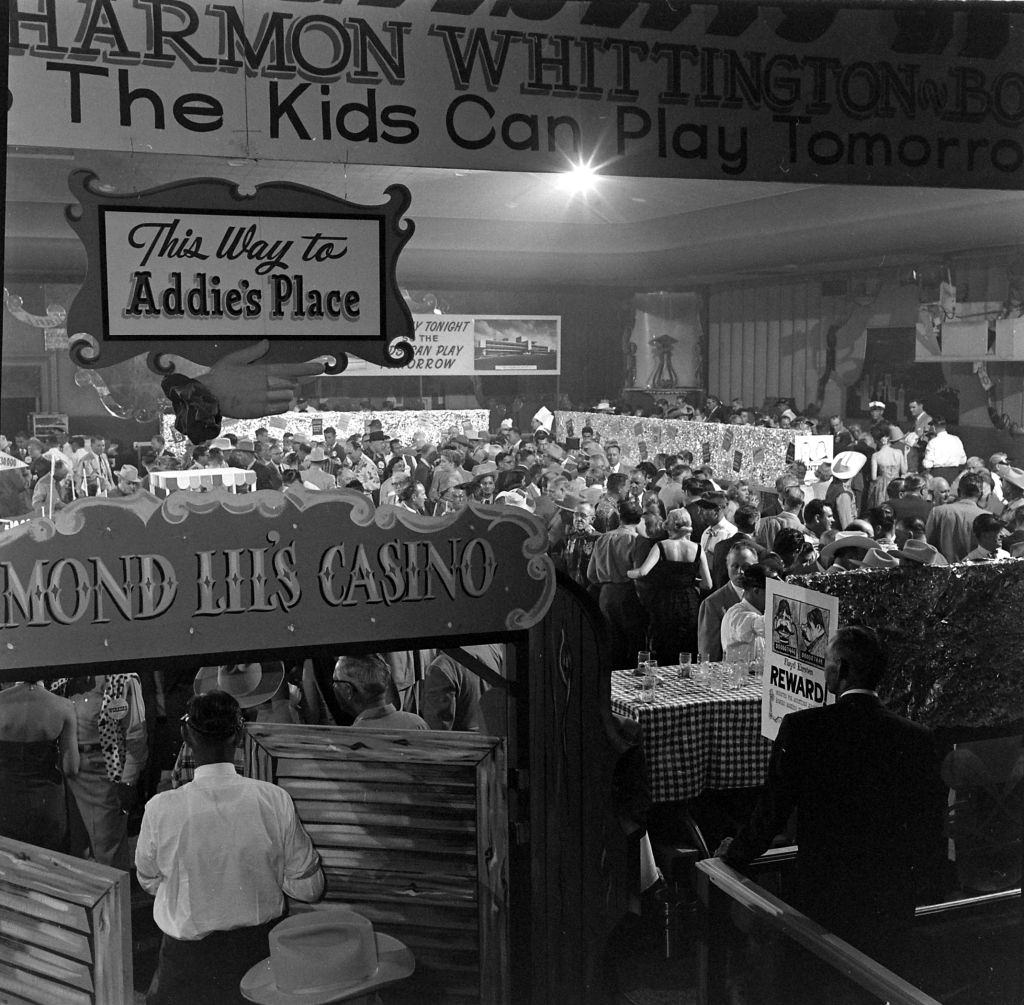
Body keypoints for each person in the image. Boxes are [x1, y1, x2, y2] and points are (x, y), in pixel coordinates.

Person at [717, 626, 945, 982]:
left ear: (841, 670)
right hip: (890, 894)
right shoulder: (916, 738)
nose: (822, 670)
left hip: (823, 891)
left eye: (825, 662)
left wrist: (733, 855)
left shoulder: (803, 729)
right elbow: (929, 822)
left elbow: (772, 812)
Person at [137, 690, 325, 1005]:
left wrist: (195, 889)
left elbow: (149, 880)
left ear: (186, 735)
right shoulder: (273, 800)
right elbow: (310, 888)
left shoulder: (161, 808)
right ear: (239, 733)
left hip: (185, 966)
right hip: (257, 956)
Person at [50, 671, 147, 870]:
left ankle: (116, 899)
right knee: (76, 851)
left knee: (107, 850)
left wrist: (128, 781)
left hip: (103, 773)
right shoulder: (63, 681)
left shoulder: (123, 680)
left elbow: (136, 735)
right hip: (68, 773)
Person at [0, 680, 79, 853]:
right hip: (47, 801)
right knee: (49, 863)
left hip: (6, 798)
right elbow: (71, 767)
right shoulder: (63, 706)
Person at [628, 507, 711, 666]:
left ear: (669, 525)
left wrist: (628, 573)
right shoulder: (698, 549)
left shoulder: (661, 546)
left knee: (665, 645)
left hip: (665, 602)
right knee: (686, 645)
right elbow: (708, 584)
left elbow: (643, 572)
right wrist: (688, 581)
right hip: (689, 602)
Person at [588, 498, 646, 672]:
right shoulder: (636, 540)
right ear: (639, 518)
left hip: (605, 594)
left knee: (612, 641)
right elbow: (639, 572)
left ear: (620, 517)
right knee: (632, 642)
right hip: (628, 593)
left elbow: (591, 574)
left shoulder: (603, 538)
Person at [698, 541, 760, 662]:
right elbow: (708, 653)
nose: (740, 572)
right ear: (727, 567)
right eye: (735, 566)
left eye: (746, 567)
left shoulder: (764, 596)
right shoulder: (713, 603)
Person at [422, 643, 505, 733]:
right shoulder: (490, 648)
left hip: (463, 743)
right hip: (495, 740)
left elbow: (438, 732)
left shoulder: (442, 667)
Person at [332, 654, 429, 730]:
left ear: (348, 690)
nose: (334, 686)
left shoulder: (350, 739)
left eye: (336, 681)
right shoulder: (417, 724)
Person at [720, 560, 782, 664]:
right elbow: (768, 627)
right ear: (756, 590)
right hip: (738, 677)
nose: (775, 597)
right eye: (772, 592)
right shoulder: (736, 614)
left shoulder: (759, 614)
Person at [925, 471, 988, 563]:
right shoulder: (987, 517)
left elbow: (929, 546)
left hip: (942, 573)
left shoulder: (938, 512)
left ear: (958, 492)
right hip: (975, 574)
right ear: (981, 494)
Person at [866, 426, 907, 510]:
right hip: (897, 484)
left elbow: (873, 477)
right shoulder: (898, 453)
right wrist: (905, 455)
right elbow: (904, 471)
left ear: (877, 440)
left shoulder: (876, 455)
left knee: (882, 510)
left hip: (882, 487)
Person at [922, 416, 967, 483]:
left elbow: (928, 464)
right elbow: (963, 460)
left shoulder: (933, 442)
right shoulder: (956, 439)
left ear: (934, 427)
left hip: (938, 474)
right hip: (954, 475)